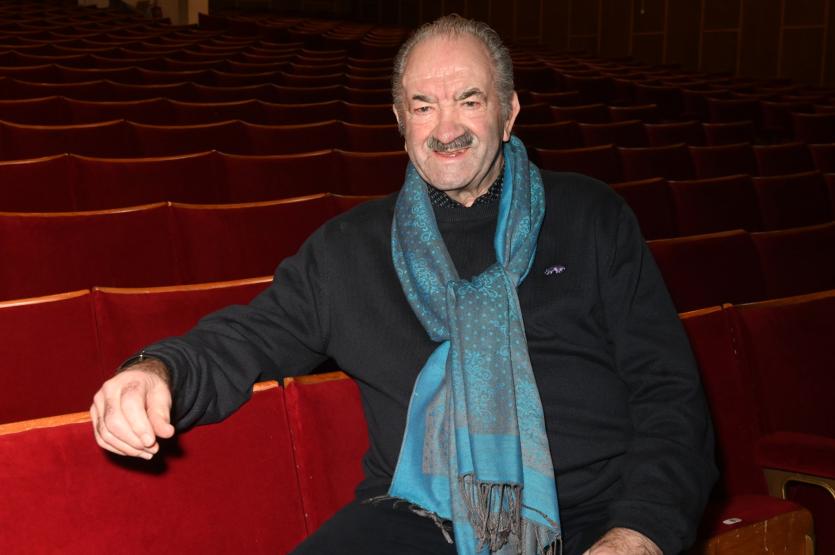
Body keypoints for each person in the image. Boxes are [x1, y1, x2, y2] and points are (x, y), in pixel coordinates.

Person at [91, 15, 716, 555]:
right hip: (421, 515)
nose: (446, 129)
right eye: (423, 106)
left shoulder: (590, 216)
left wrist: (639, 532)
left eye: (469, 100)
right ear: (400, 120)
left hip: (593, 512)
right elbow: (250, 335)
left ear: (508, 113)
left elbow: (669, 393)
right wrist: (156, 371)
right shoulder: (349, 249)